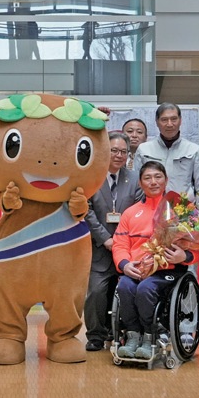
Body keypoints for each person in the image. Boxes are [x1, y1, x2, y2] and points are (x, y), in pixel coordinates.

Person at [112, 162, 198, 360]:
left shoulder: (181, 210)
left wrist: (184, 256)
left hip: (167, 270)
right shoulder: (130, 212)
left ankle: (150, 336)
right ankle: (133, 336)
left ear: (166, 180)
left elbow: (197, 244)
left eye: (158, 177)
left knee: (146, 289)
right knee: (124, 286)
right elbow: (119, 244)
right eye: (147, 178)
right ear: (140, 183)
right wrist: (125, 265)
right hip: (137, 269)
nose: (153, 182)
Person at [83, 132, 141, 351]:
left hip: (128, 249)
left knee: (129, 289)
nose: (118, 155)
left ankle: (126, 331)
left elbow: (139, 210)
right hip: (100, 247)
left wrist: (122, 242)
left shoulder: (134, 179)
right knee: (96, 292)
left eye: (123, 152)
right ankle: (95, 335)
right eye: (114, 150)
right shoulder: (90, 176)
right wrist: (105, 239)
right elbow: (86, 211)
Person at [132, 104, 199, 205]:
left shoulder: (193, 150)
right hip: (151, 208)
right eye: (164, 120)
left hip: (183, 210)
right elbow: (137, 185)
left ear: (180, 120)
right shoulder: (144, 149)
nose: (169, 124)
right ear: (157, 122)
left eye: (174, 119)